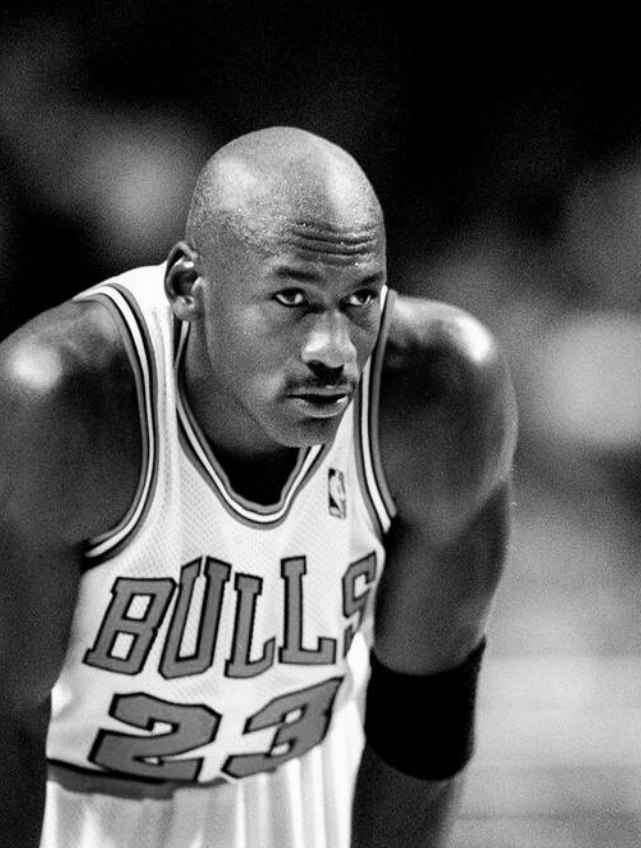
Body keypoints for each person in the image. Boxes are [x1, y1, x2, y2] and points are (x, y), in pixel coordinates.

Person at [0, 126, 517, 848]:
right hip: (61, 797)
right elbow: (8, 720)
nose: (334, 351)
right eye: (293, 298)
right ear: (188, 287)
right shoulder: (66, 403)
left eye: (360, 299)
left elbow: (423, 716)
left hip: (299, 790)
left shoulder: (439, 394)